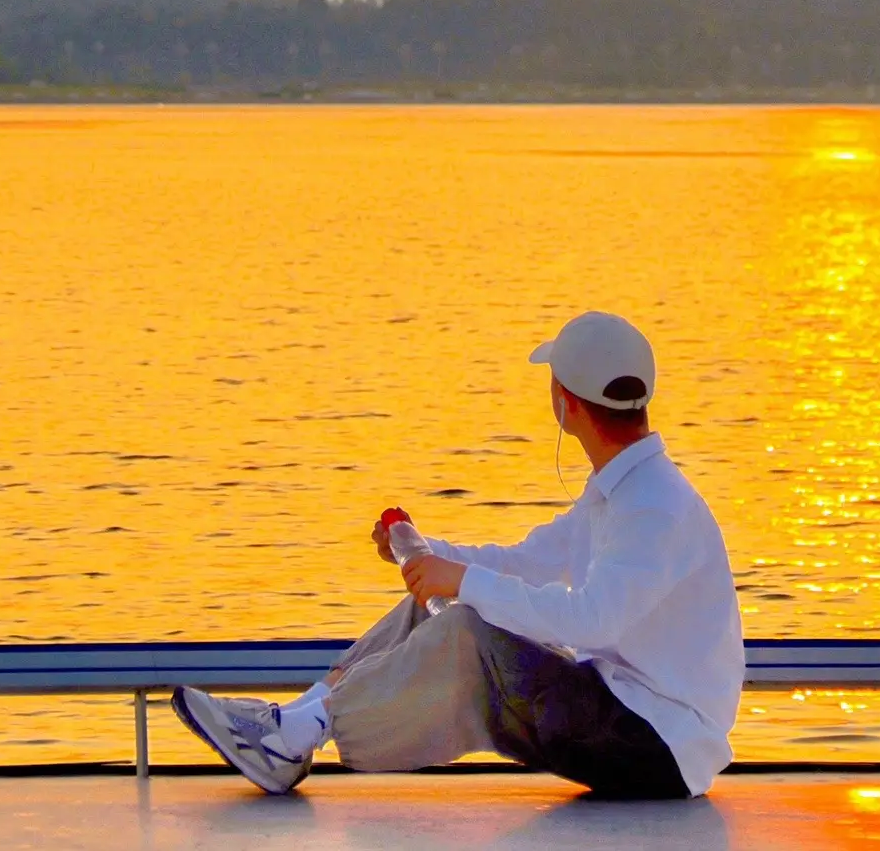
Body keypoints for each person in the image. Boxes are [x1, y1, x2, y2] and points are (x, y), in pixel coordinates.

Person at [173, 310, 743, 799]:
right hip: (624, 716)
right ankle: (297, 725)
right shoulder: (624, 490)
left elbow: (594, 618)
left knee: (469, 623)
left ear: (565, 406)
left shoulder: (652, 506)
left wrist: (462, 581)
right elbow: (524, 563)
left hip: (660, 746)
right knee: (440, 604)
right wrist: (426, 555)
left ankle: (297, 733)